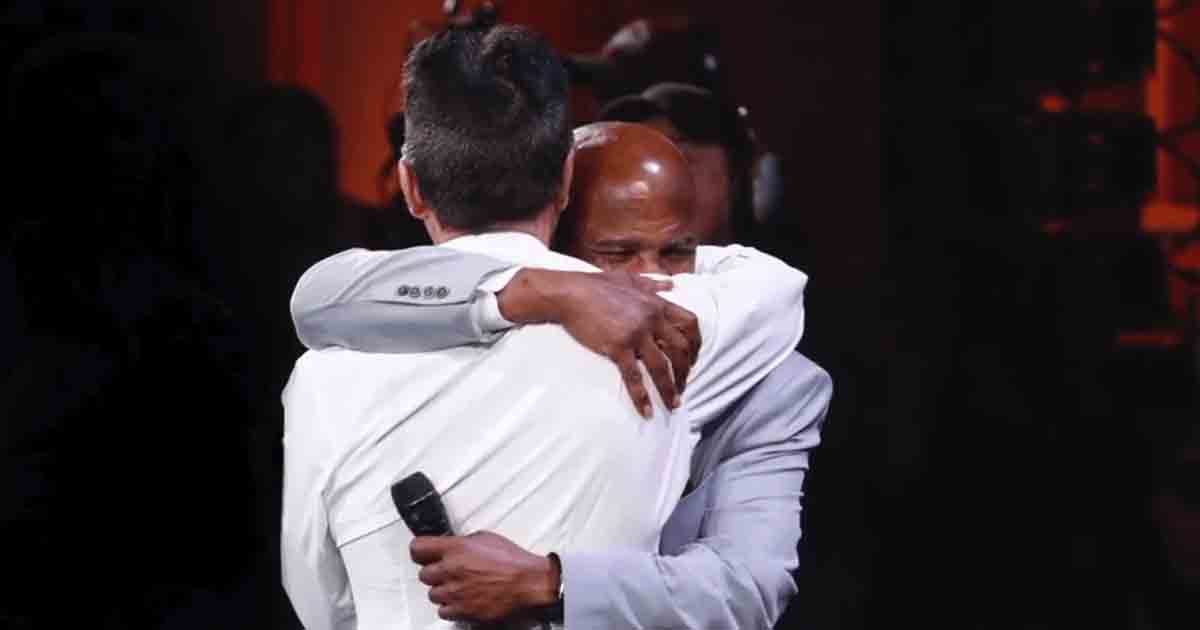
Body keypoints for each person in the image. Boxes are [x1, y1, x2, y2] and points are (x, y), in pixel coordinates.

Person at [280, 27, 807, 630]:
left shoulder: (322, 374)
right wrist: (547, 288)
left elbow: (321, 603)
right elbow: (779, 286)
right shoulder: (672, 329)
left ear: (410, 186)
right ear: (565, 179)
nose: (647, 272)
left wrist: (533, 290)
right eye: (620, 252)